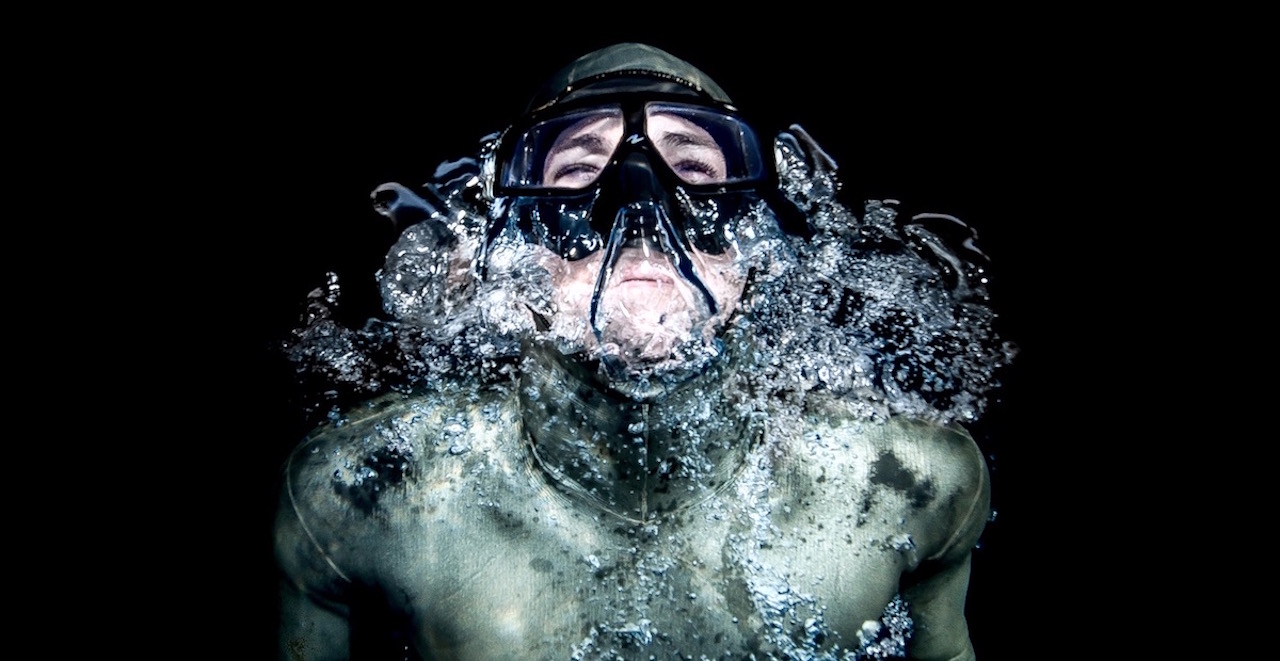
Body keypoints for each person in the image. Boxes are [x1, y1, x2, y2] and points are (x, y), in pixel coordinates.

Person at [274, 42, 1015, 660]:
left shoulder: (911, 489)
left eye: (693, 168)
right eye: (574, 172)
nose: (638, 199)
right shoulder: (361, 499)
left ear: (755, 249)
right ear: (508, 245)